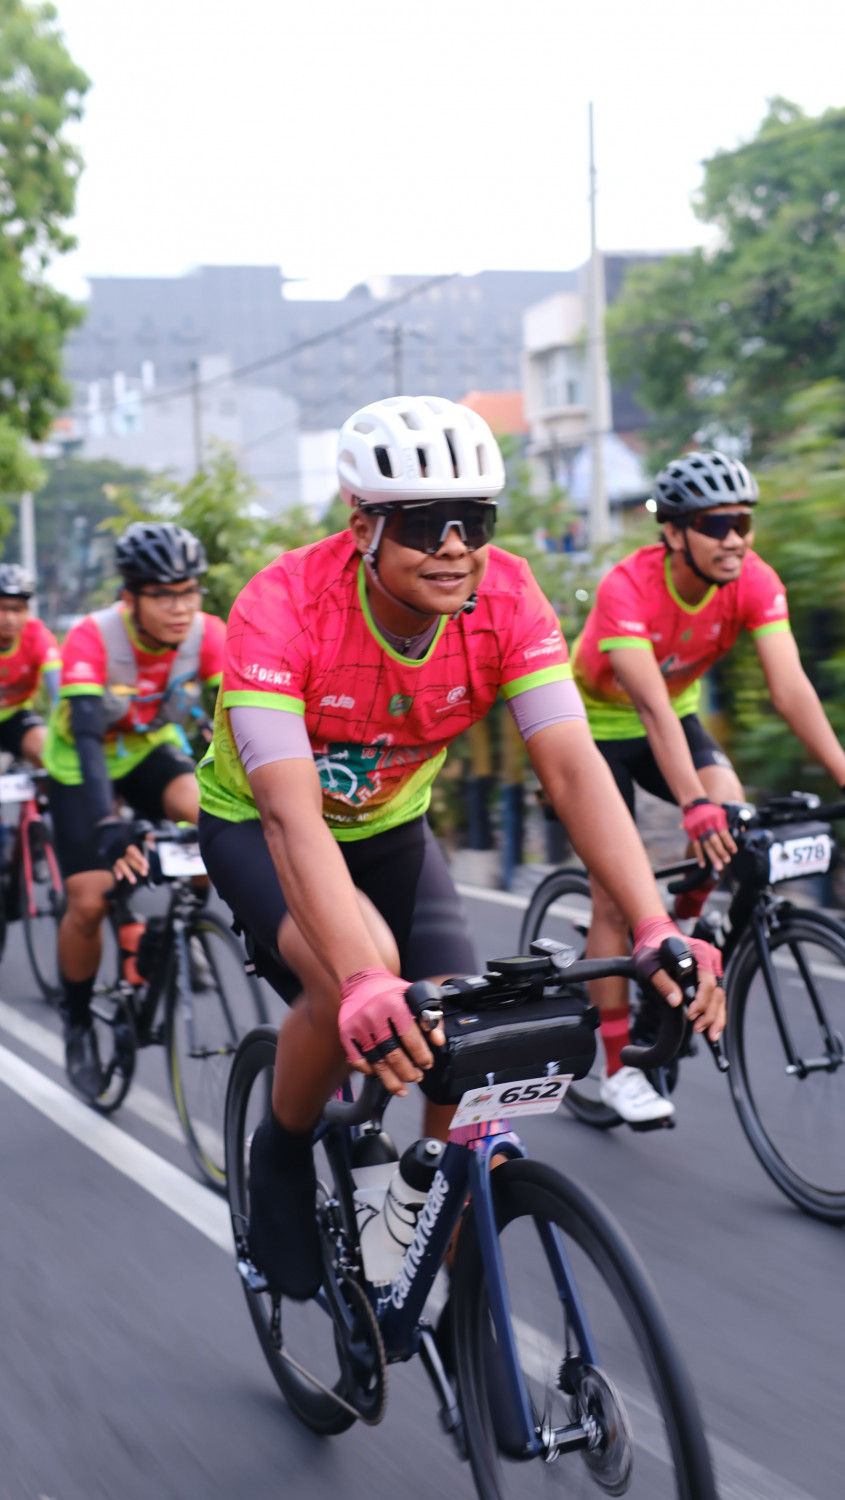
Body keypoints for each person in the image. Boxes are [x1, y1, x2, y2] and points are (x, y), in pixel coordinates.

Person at [197, 394, 724, 1301]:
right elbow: (287, 813)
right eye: (422, 523)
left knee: (462, 1030)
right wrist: (361, 980)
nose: (452, 547)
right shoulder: (282, 606)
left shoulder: (508, 598)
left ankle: (427, 1251)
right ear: (362, 527)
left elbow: (572, 767)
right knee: (359, 969)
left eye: (473, 521)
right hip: (259, 827)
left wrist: (650, 924)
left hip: (393, 828)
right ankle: (280, 1148)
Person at [572, 449, 845, 1123]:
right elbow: (649, 707)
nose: (734, 540)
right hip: (596, 728)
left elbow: (789, 689)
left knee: (736, 822)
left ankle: (685, 921)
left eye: (742, 524)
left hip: (677, 718)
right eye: (716, 525)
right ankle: (618, 1073)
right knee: (613, 892)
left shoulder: (753, 580)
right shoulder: (627, 588)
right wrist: (691, 803)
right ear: (673, 532)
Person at [43, 522, 225, 1099]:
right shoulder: (93, 637)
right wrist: (106, 822)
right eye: (162, 595)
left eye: (188, 592)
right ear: (130, 597)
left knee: (216, 824)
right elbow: (87, 736)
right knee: (89, 899)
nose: (180, 608)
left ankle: (170, 932)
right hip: (82, 766)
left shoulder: (207, 634)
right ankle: (77, 1021)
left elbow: (237, 717)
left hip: (148, 750)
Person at [0, 564, 61, 764]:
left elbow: (59, 692)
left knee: (49, 755)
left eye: (17, 609)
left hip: (16, 716)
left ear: (27, 611)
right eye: (2, 608)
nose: (9, 618)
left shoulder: (37, 635)